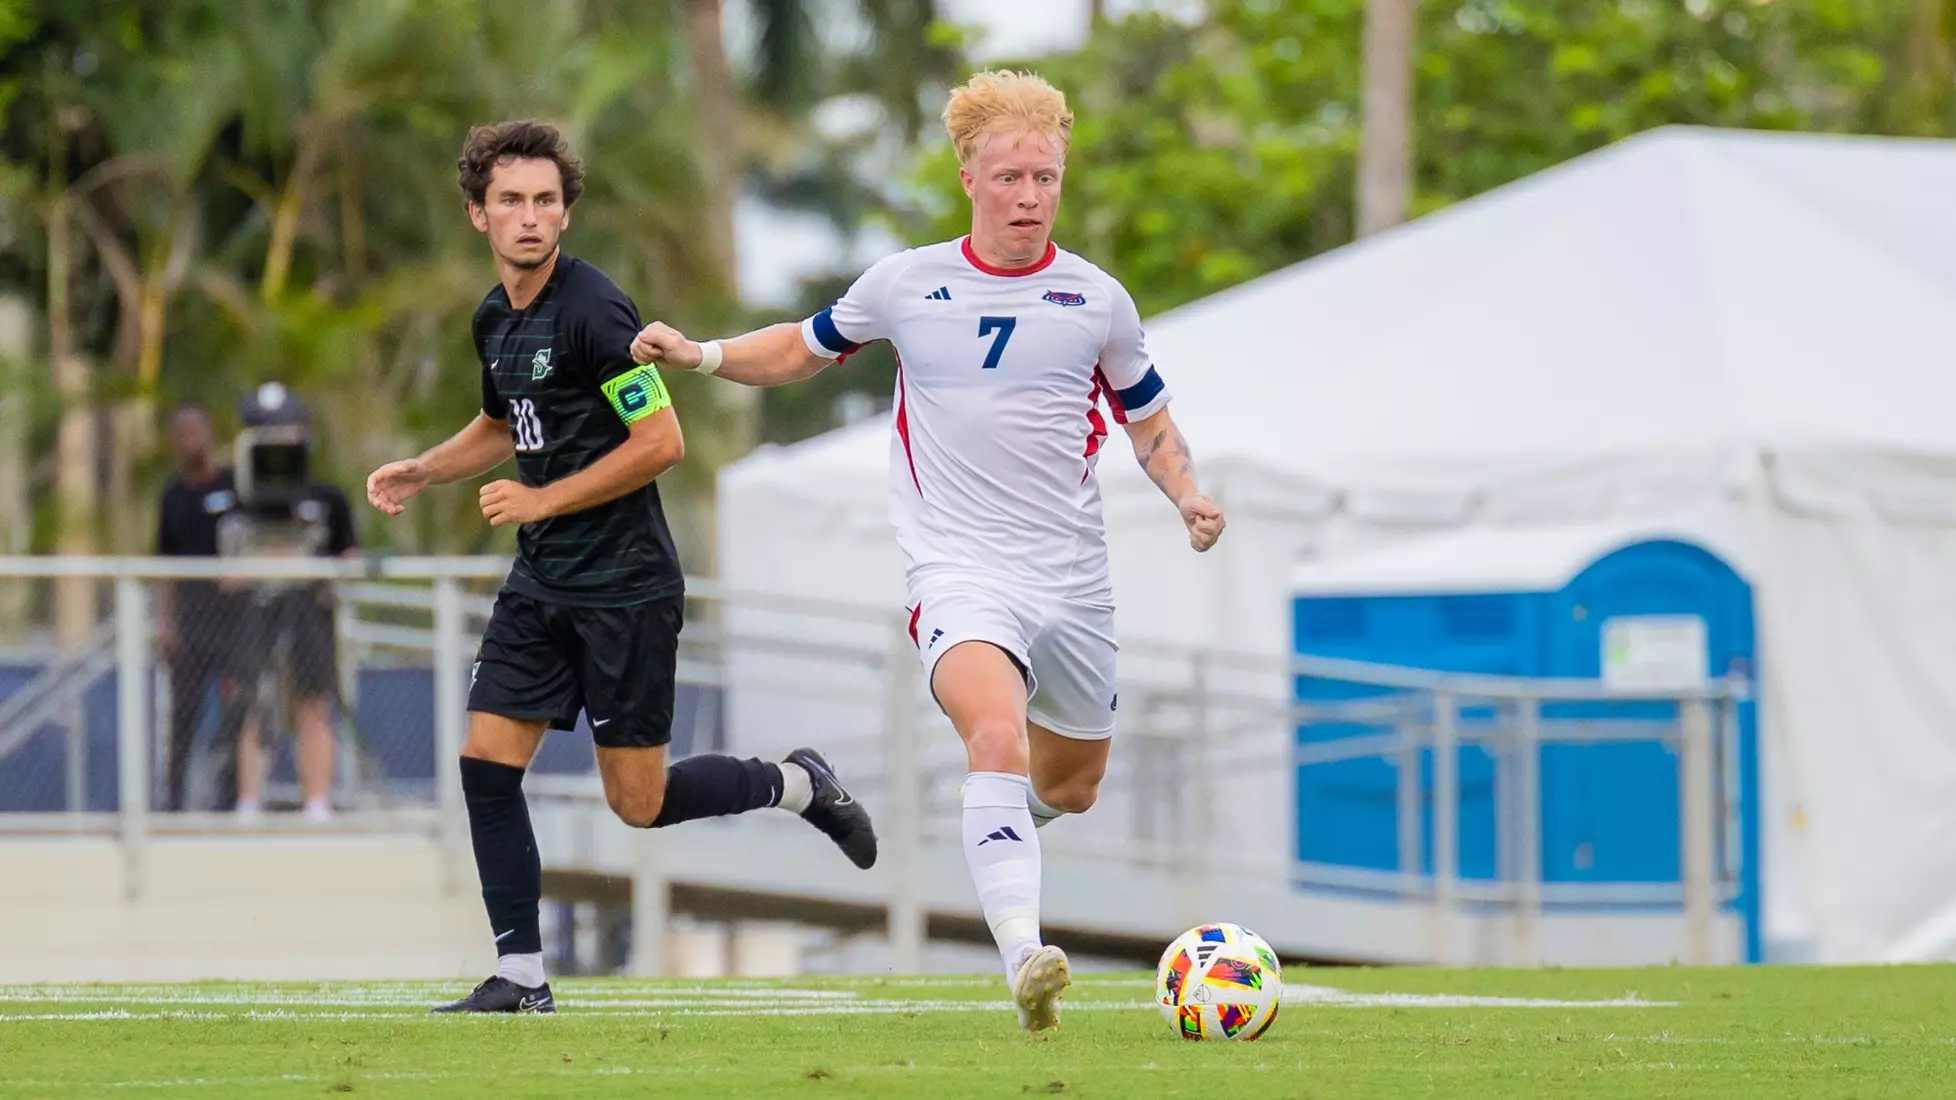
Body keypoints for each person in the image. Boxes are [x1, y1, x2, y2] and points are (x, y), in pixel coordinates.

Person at [628, 70, 1227, 1035]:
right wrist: (700, 354)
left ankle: (991, 833)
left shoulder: (1097, 299)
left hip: (1073, 579)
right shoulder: (908, 283)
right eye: (1011, 177)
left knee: (1070, 785)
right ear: (968, 177)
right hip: (959, 569)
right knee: (996, 734)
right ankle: (1025, 956)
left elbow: (1148, 423)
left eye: (1046, 178)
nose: (1030, 197)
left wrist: (1190, 496)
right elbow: (801, 349)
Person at [365, 119, 877, 1016]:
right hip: (541, 584)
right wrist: (427, 466)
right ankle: (521, 976)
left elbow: (662, 442)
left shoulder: (597, 310)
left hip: (626, 588)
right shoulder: (495, 317)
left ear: (565, 214)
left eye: (546, 201)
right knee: (486, 761)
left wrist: (543, 500)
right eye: (512, 201)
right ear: (477, 214)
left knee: (637, 804)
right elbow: (502, 423)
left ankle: (797, 783)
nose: (531, 217)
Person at [154, 405, 244, 812]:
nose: (191, 439)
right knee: (183, 719)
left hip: (234, 624)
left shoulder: (234, 487)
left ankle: (231, 803)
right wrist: (165, 622)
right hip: (190, 625)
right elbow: (165, 566)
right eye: (182, 432)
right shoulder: (172, 497)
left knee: (235, 717)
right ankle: (173, 805)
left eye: (196, 430)